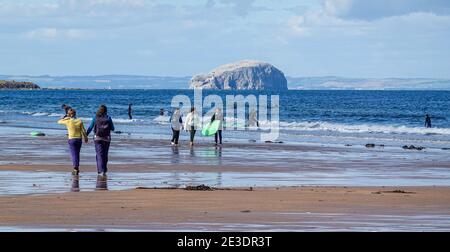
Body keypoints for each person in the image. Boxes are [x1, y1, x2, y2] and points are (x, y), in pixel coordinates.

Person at [57, 108, 88, 176]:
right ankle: (76, 167)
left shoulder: (68, 121)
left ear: (69, 114)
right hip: (79, 139)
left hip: (72, 139)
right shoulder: (79, 121)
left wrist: (66, 117)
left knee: (74, 154)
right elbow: (83, 130)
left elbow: (59, 121)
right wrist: (86, 138)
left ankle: (75, 169)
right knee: (77, 154)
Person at [87, 105, 115, 177]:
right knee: (105, 155)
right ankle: (104, 169)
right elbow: (113, 128)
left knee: (99, 155)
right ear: (106, 111)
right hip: (107, 139)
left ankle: (100, 170)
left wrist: (85, 135)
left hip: (97, 138)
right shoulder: (108, 118)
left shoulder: (95, 118)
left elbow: (90, 127)